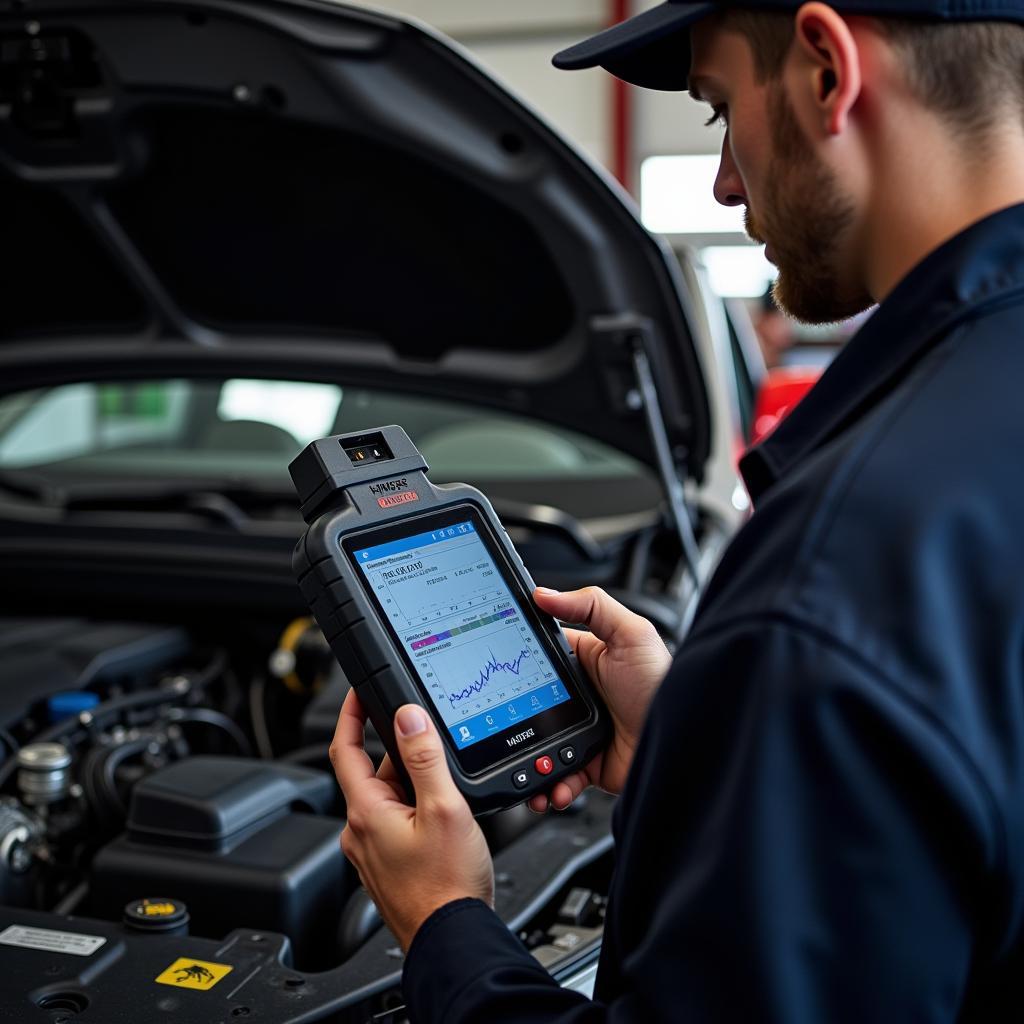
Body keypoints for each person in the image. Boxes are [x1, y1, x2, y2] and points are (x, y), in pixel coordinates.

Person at [330, 0, 1024, 1018]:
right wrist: (709, 749)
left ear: (827, 70)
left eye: (717, 109)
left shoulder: (838, 575)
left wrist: (444, 922)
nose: (724, 180)